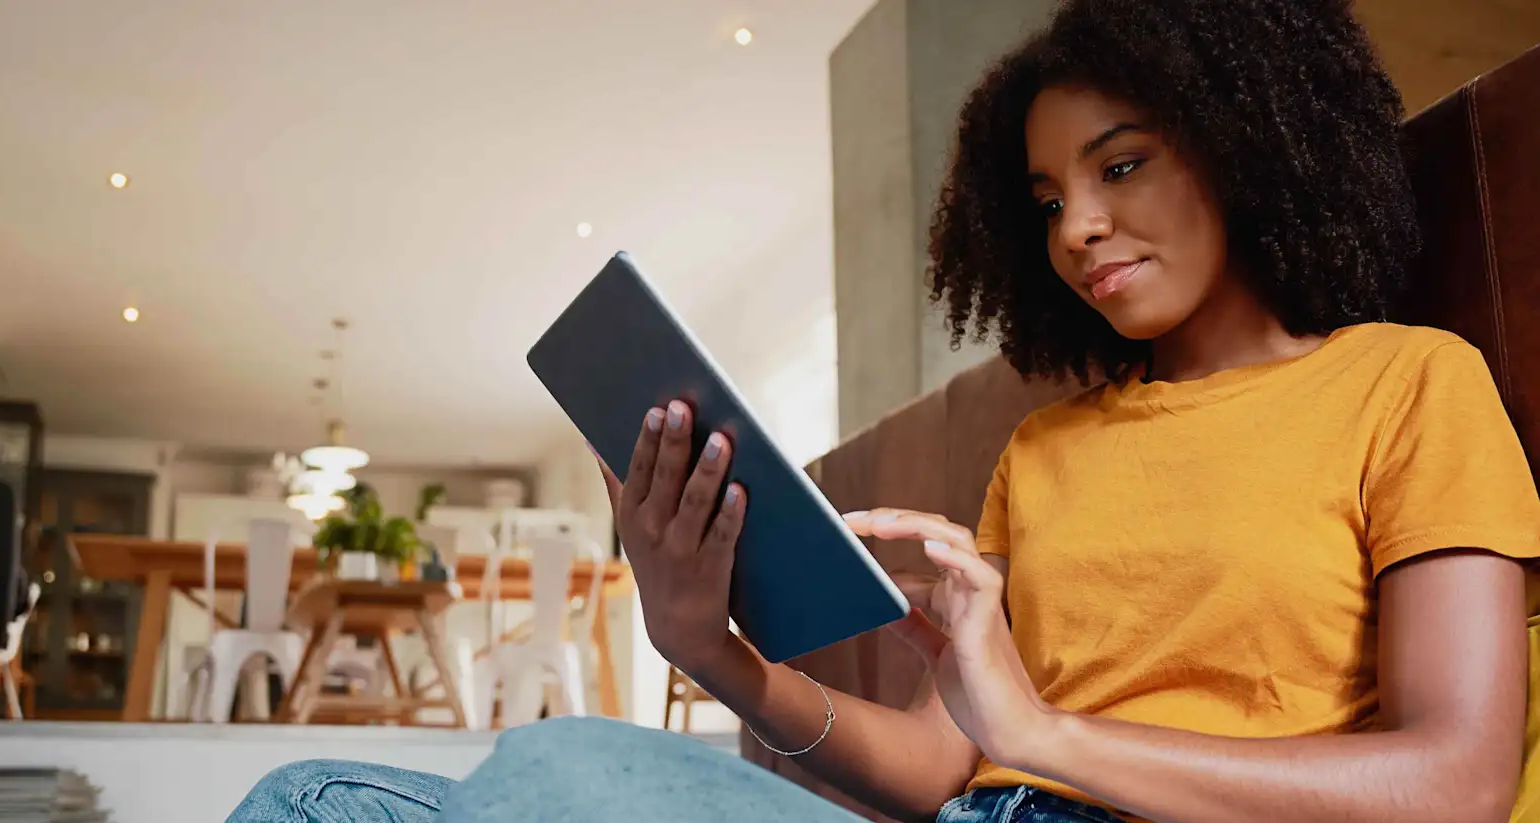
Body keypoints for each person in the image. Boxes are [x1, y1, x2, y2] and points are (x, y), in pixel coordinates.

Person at [229, 0, 1540, 820]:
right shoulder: (1048, 452)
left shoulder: (1404, 384)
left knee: (566, 765)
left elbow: (1455, 784)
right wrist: (712, 651)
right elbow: (941, 766)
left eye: (1120, 164)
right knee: (313, 796)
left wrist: (1043, 734)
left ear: (1247, 137)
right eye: (1044, 201)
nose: (1079, 228)